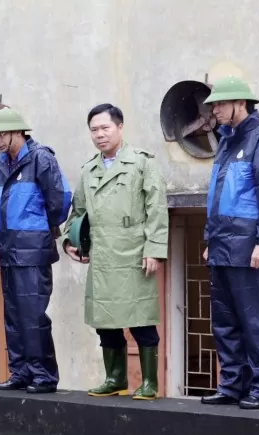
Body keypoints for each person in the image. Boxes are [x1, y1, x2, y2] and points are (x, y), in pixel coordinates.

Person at [60, 104, 168, 400]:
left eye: (105, 128)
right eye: (94, 130)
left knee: (141, 318)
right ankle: (115, 378)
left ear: (120, 127)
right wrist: (69, 241)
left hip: (134, 251)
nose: (99, 135)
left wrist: (155, 250)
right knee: (105, 320)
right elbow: (78, 211)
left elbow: (156, 210)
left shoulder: (143, 163)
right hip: (103, 255)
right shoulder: (89, 169)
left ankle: (149, 382)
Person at [200, 76, 259, 410]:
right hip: (223, 246)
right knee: (224, 321)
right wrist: (210, 238)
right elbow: (216, 197)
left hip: (249, 245)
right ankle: (232, 385)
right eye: (214, 105)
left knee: (256, 321)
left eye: (221, 104)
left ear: (241, 104)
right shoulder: (225, 142)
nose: (215, 111)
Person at [0, 107, 72, 394]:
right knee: (13, 317)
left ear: (18, 132)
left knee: (33, 316)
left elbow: (60, 202)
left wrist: (39, 228)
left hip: (33, 251)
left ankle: (43, 376)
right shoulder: (2, 165)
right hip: (8, 250)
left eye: (2, 134)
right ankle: (21, 372)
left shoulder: (41, 158)